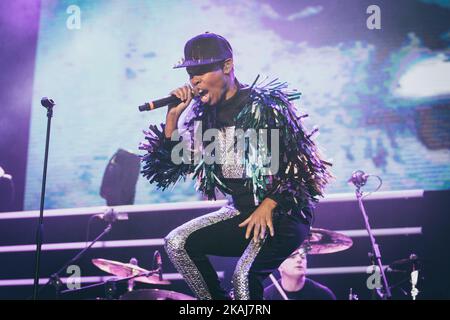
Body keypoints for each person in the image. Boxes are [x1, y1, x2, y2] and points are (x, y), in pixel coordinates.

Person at [139, 32, 332, 300]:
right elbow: (171, 166)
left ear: (227, 66)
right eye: (190, 73)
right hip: (242, 211)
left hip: (285, 213)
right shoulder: (205, 117)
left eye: (203, 71)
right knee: (177, 242)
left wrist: (270, 202)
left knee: (244, 276)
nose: (194, 80)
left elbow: (305, 169)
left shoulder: (266, 106)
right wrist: (172, 117)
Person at [264, 247, 336, 300]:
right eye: (292, 257)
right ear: (279, 265)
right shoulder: (266, 296)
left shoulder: (323, 295)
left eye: (303, 256)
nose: (299, 259)